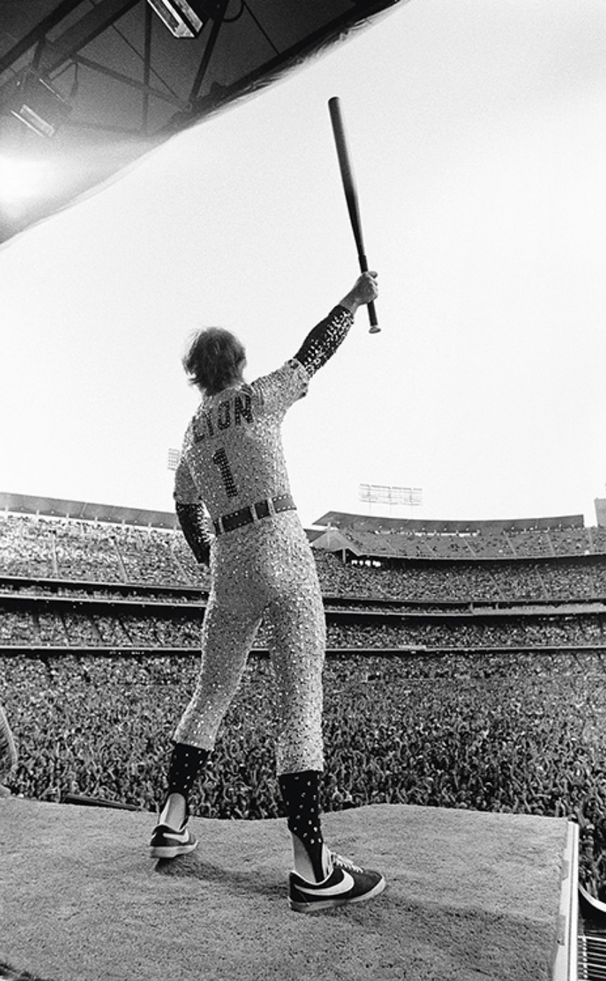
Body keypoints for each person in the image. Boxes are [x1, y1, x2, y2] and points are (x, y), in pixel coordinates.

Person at [149, 271, 385, 913]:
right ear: (239, 364)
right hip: (281, 545)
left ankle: (172, 822)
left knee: (210, 693)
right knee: (298, 703)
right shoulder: (259, 398)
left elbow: (183, 506)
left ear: (196, 376)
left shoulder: (193, 439)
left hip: (229, 562)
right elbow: (316, 351)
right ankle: (313, 868)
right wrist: (354, 299)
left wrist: (211, 561)